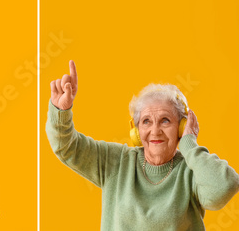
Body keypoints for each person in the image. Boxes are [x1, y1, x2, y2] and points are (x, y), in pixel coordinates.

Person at [46, 60, 239, 230]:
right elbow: (66, 146)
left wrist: (189, 144)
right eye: (146, 121)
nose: (155, 131)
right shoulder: (116, 161)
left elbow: (225, 186)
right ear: (136, 131)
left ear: (181, 127)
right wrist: (61, 110)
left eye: (165, 120)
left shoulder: (191, 171)